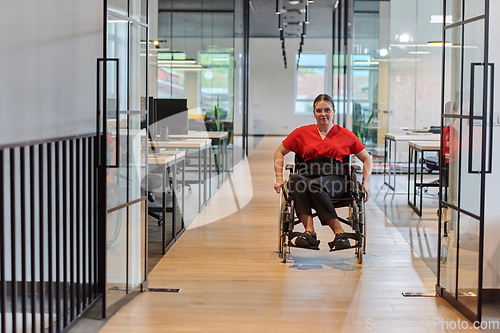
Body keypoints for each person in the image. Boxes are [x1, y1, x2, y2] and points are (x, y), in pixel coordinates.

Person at [273, 94, 373, 250]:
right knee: (294, 179)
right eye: (319, 110)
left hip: (336, 181)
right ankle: (309, 231)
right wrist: (279, 179)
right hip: (307, 176)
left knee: (313, 185)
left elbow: (367, 159)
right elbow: (279, 152)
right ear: (314, 113)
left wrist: (365, 183)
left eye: (327, 110)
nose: (323, 114)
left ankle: (339, 231)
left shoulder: (345, 134)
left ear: (334, 111)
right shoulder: (302, 133)